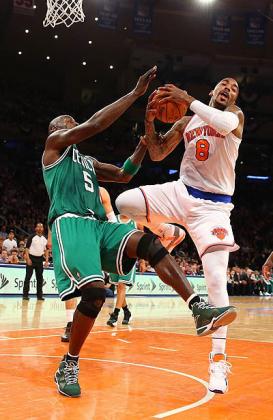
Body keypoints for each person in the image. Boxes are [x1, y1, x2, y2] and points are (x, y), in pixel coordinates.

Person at [42, 67, 236, 398]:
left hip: (99, 226)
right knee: (95, 294)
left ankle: (197, 307)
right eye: (67, 121)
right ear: (56, 130)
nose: (72, 124)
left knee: (148, 244)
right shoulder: (55, 147)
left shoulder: (87, 161)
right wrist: (134, 95)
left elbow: (124, 174)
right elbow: (94, 125)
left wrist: (145, 143)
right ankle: (70, 362)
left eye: (73, 122)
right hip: (70, 223)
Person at [116, 77, 244, 394]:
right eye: (224, 85)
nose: (229, 89)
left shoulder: (234, 116)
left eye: (234, 88)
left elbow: (224, 124)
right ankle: (167, 231)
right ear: (212, 90)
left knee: (216, 283)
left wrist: (187, 97)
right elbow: (157, 152)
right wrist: (148, 122)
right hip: (180, 192)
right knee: (124, 202)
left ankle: (218, 363)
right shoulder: (188, 120)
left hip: (213, 208)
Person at [22, 223, 49, 300]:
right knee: (28, 277)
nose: (40, 228)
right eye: (38, 227)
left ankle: (39, 296)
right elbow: (27, 248)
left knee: (40, 278)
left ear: (43, 229)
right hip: (31, 258)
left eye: (41, 227)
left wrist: (46, 260)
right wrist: (28, 258)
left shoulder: (44, 239)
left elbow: (47, 250)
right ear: (35, 228)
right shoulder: (31, 237)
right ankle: (25, 295)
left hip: (40, 259)